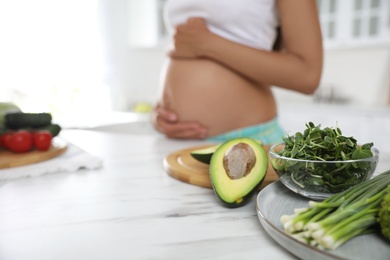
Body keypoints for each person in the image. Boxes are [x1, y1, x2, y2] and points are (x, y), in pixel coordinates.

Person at [151, 0, 323, 145]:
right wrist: (162, 115)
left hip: (247, 141)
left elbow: (307, 76)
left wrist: (208, 44)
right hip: (176, 142)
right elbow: (184, 42)